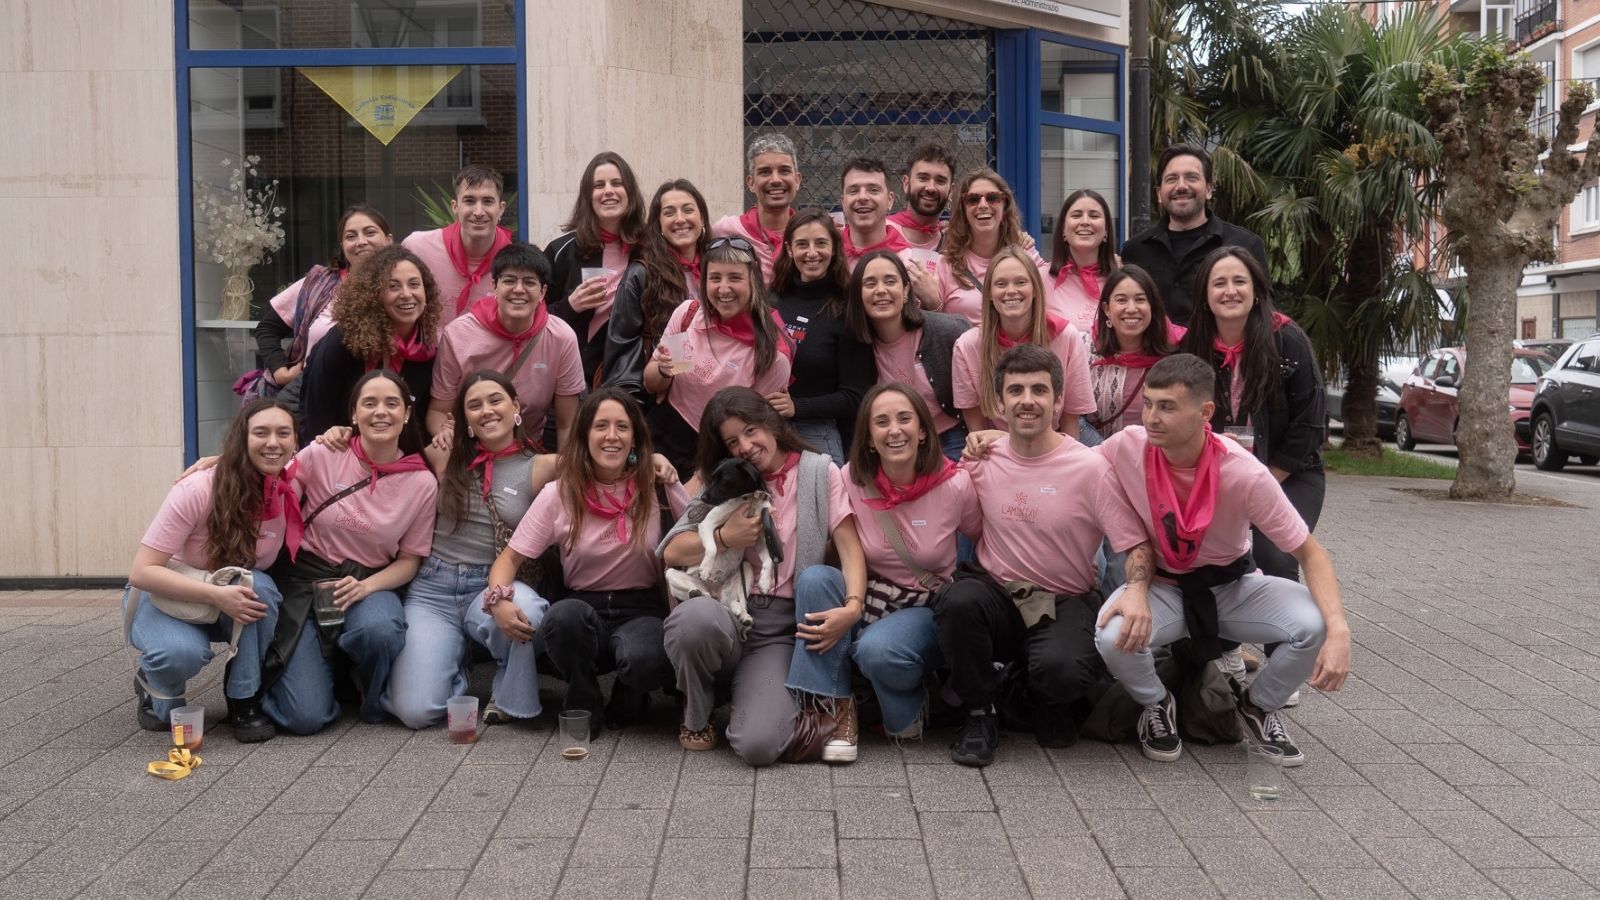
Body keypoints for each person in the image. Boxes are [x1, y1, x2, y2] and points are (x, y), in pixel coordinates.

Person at [1092, 353, 1350, 765]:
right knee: (1111, 637)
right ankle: (1156, 704)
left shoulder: (1245, 473)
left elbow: (1311, 553)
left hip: (1233, 586)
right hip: (1163, 586)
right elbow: (1069, 460)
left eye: (1168, 407)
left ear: (1205, 413)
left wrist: (1339, 632)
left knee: (1312, 625)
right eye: (1149, 404)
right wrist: (1000, 440)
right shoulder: (1128, 445)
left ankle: (1260, 705)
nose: (1152, 418)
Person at [937, 345, 1150, 767]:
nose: (1027, 400)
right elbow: (970, 524)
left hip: (1063, 599)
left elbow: (1134, 543)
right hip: (998, 593)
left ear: (1058, 401)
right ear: (1000, 404)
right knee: (957, 602)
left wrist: (1137, 591)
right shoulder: (982, 460)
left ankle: (1032, 691)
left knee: (1063, 674)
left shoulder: (1090, 468)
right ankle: (979, 713)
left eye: (1039, 390)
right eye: (1016, 390)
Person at [660, 388, 866, 765]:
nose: (745, 446)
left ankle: (763, 700)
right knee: (692, 621)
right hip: (722, 615)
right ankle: (697, 715)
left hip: (776, 632)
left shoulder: (820, 472)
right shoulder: (727, 479)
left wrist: (854, 607)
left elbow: (850, 547)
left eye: (750, 430)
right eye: (732, 441)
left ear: (771, 421)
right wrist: (724, 537)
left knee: (758, 745)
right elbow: (672, 550)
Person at [478, 389, 689, 732]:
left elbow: (697, 535)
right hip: (582, 607)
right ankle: (583, 697)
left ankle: (632, 692)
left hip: (642, 608)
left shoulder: (657, 484)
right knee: (562, 619)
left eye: (622, 427)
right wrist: (498, 600)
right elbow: (510, 558)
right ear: (584, 436)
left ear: (635, 438)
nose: (611, 436)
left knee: (645, 659)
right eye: (600, 426)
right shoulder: (559, 493)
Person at [262, 370, 436, 734]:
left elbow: (409, 561)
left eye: (391, 403)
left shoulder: (422, 482)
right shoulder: (324, 452)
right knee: (305, 718)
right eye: (369, 403)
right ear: (354, 414)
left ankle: (368, 692)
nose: (380, 411)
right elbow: (276, 483)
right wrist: (223, 465)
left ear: (407, 414)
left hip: (367, 581)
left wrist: (365, 588)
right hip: (306, 578)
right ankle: (327, 672)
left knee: (380, 630)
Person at [380, 371, 546, 729]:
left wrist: (646, 460)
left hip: (490, 583)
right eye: (474, 405)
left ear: (516, 407)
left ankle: (507, 691)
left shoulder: (540, 466)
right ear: (464, 419)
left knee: (529, 610)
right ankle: (453, 668)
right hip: (432, 589)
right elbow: (383, 465)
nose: (486, 410)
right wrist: (337, 437)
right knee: (415, 711)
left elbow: (597, 469)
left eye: (495, 400)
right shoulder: (444, 454)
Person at [126, 400, 294, 742]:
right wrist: (216, 595)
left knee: (260, 588)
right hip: (167, 592)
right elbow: (142, 572)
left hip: (229, 592)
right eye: (260, 433)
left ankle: (243, 699)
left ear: (295, 441)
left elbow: (335, 452)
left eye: (283, 433)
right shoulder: (197, 489)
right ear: (241, 439)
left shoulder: (289, 481)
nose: (273, 442)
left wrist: (341, 431)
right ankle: (153, 682)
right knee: (179, 658)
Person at [823, 384, 981, 745]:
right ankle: (831, 704)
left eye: (905, 419)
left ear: (923, 430)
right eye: (881, 422)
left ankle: (918, 706)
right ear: (868, 439)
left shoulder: (955, 484)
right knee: (817, 580)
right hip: (869, 594)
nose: (894, 430)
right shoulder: (850, 478)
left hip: (925, 605)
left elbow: (983, 539)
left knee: (877, 650)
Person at [1180, 247, 1326, 597]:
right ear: (1205, 295)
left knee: (1274, 555)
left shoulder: (1287, 339)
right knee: (1200, 554)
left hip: (1288, 472)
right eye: (1219, 283)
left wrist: (1263, 481)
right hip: (1215, 475)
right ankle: (1218, 633)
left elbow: (1310, 424)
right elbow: (1181, 417)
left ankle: (1289, 631)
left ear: (1256, 290)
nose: (1230, 291)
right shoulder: (1193, 344)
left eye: (1239, 281)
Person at [642, 237, 794, 480]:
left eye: (735, 278)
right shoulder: (689, 315)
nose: (723, 289)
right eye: (715, 278)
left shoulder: (772, 355)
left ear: (754, 280)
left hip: (716, 454)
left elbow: (755, 432)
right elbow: (651, 384)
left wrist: (701, 478)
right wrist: (662, 371)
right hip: (660, 430)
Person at [425, 242, 584, 452]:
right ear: (494, 286)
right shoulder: (458, 335)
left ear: (543, 291)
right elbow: (438, 411)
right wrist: (448, 438)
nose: (518, 290)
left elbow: (567, 424)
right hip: (470, 449)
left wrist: (562, 470)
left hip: (528, 453)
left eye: (529, 282)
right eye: (509, 280)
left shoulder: (561, 337)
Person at [250, 204, 393, 407]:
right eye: (351, 236)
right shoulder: (319, 283)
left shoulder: (402, 286)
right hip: (310, 397)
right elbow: (267, 328)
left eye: (370, 232)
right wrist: (280, 371)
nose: (361, 242)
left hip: (377, 403)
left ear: (389, 240)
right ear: (342, 245)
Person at [299, 244, 442, 442]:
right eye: (393, 286)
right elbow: (316, 417)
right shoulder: (343, 341)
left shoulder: (428, 350)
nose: (407, 294)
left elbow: (418, 425)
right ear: (373, 295)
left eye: (414, 284)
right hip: (338, 451)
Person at [951, 246, 1094, 443]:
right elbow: (978, 432)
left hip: (1058, 438)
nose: (1011, 291)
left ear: (1035, 289)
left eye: (1020, 282)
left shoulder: (1067, 337)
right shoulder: (967, 347)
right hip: (997, 443)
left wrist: (1062, 460)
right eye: (1001, 284)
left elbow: (1071, 419)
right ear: (989, 294)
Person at [768, 209, 877, 462]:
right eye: (802, 244)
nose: (812, 252)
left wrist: (798, 407)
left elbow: (857, 396)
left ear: (835, 248)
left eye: (821, 243)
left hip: (817, 434)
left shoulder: (848, 308)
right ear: (789, 249)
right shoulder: (772, 298)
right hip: (768, 429)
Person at [1121, 144, 1268, 326]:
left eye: (1192, 177)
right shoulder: (1135, 250)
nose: (1181, 186)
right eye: (1171, 179)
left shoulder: (1245, 244)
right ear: (1159, 193)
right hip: (1156, 346)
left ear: (1208, 189)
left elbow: (1265, 313)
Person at [845, 250, 972, 461]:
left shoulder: (946, 331)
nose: (881, 290)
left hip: (950, 438)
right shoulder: (854, 346)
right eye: (870, 284)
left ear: (906, 290)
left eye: (890, 281)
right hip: (893, 444)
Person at [603, 179, 711, 402]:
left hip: (712, 390)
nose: (680, 219)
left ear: (702, 218)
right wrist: (632, 403)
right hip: (659, 398)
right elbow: (622, 346)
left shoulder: (718, 270)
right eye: (669, 213)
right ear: (659, 225)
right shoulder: (642, 274)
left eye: (688, 210)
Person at [545, 151, 648, 383]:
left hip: (632, 378)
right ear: (588, 196)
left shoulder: (649, 249)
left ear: (630, 192)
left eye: (617, 183)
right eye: (599, 185)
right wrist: (570, 306)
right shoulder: (561, 251)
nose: (608, 191)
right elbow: (532, 316)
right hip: (572, 376)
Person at [924, 168, 1048, 324]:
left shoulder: (1025, 253)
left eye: (993, 198)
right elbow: (932, 323)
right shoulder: (945, 265)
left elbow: (1052, 298)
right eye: (973, 200)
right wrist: (933, 305)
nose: (983, 205)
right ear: (963, 209)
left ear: (1004, 205)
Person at [402, 164, 513, 325]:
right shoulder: (416, 248)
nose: (478, 212)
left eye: (488, 201)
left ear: (501, 209)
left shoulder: (513, 262)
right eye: (469, 201)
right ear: (455, 206)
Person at [1088, 265, 1176, 439]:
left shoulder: (1171, 360)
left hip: (1149, 453)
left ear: (1152, 306)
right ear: (1106, 309)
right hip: (1090, 452)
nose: (1131, 309)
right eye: (1121, 300)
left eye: (1140, 300)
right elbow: (1071, 415)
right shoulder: (1084, 350)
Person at [711, 133, 801, 284]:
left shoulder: (809, 234)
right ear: (751, 183)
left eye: (784, 171)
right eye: (765, 172)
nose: (775, 180)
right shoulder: (725, 230)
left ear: (797, 180)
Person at [1047, 189, 1117, 339]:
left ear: (1106, 231)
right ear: (1063, 230)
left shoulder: (1122, 281)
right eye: (1076, 215)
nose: (1085, 222)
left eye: (1094, 216)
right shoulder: (1040, 280)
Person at [837, 158, 909, 269]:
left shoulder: (908, 263)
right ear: (843, 202)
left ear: (889, 200)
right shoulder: (828, 256)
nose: (862, 197)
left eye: (873, 190)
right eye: (853, 191)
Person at [888, 142, 957, 252]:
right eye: (923, 178)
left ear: (951, 191)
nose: (931, 188)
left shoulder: (954, 242)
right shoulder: (882, 232)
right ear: (906, 184)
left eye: (940, 181)